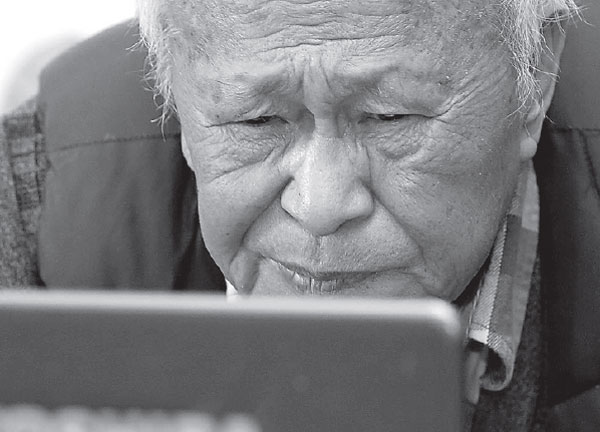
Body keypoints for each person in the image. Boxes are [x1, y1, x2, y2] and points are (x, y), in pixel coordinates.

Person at [1, 0, 597, 430]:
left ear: (534, 83)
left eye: (389, 117)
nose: (320, 206)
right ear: (173, 92)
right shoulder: (31, 200)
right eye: (256, 120)